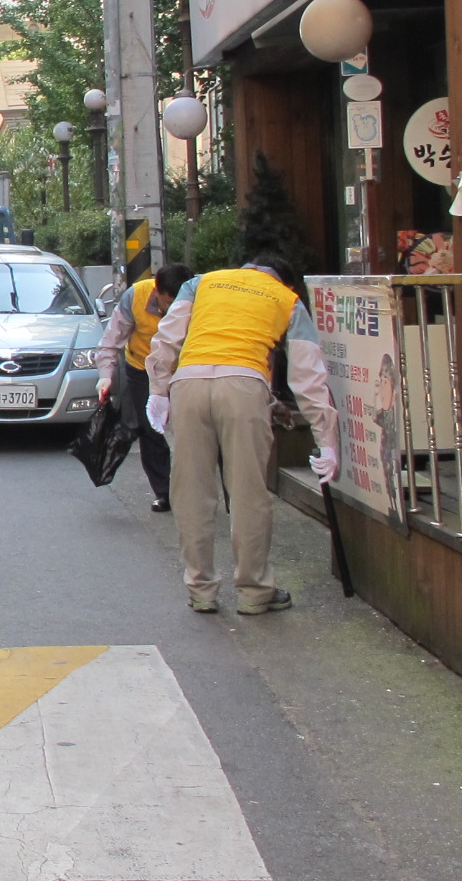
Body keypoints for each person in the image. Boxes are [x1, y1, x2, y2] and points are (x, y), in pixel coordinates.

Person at [144, 256, 339, 615]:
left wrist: (158, 389)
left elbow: (167, 335)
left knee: (190, 490)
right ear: (286, 282)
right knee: (248, 491)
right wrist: (326, 439)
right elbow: (308, 377)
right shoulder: (287, 299)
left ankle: (200, 589)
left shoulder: (201, 283)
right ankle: (254, 592)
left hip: (189, 381)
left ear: (247, 268)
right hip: (244, 384)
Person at [96, 261, 192, 513]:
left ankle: (192, 492)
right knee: (151, 431)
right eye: (169, 303)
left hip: (185, 370)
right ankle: (164, 493)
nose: (174, 310)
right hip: (142, 369)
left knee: (192, 431)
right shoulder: (135, 296)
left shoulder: (199, 298)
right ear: (157, 291)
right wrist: (106, 375)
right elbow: (111, 340)